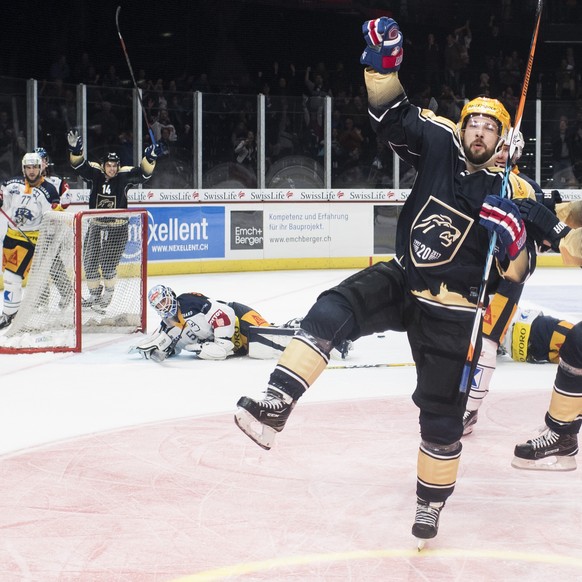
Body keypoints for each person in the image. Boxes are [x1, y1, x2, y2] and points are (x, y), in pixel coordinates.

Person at [234, 16, 540, 549]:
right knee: (335, 305)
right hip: (405, 277)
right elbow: (390, 114)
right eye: (473, 122)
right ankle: (276, 404)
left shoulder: (515, 186)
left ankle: (430, 506)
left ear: (503, 139)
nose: (478, 132)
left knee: (442, 421)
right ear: (462, 124)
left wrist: (517, 231)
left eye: (490, 128)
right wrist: (385, 63)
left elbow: (536, 250)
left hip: (456, 312)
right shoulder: (441, 142)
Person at [67, 129, 161, 309]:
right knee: (89, 261)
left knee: (108, 265)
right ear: (103, 165)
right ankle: (95, 297)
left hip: (118, 227)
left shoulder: (124, 176)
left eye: (115, 165)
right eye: (109, 165)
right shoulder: (95, 173)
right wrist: (75, 150)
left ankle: (107, 295)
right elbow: (79, 166)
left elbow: (143, 174)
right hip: (96, 225)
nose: (112, 169)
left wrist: (150, 158)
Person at [0, 152, 60, 328]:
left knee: (12, 277)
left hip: (31, 240)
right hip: (11, 237)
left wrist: (48, 238)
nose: (32, 171)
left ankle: (9, 313)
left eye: (35, 167)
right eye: (28, 167)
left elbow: (52, 219)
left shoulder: (49, 190)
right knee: (9, 277)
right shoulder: (13, 184)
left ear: (41, 168)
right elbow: (6, 204)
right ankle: (11, 311)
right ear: (23, 168)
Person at [134, 285, 271, 362]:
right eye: (158, 306)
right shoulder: (168, 327)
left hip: (239, 318)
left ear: (171, 295)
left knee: (271, 336)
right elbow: (170, 350)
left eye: (163, 301)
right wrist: (153, 350)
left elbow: (224, 312)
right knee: (265, 350)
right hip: (239, 348)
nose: (163, 307)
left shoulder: (188, 302)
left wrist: (222, 343)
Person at [35, 147, 74, 309]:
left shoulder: (56, 181)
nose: (39, 164)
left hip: (51, 231)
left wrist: (57, 206)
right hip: (33, 230)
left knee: (53, 265)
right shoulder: (27, 182)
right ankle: (42, 300)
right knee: (37, 267)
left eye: (42, 160)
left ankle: (67, 293)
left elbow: (67, 199)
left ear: (46, 162)